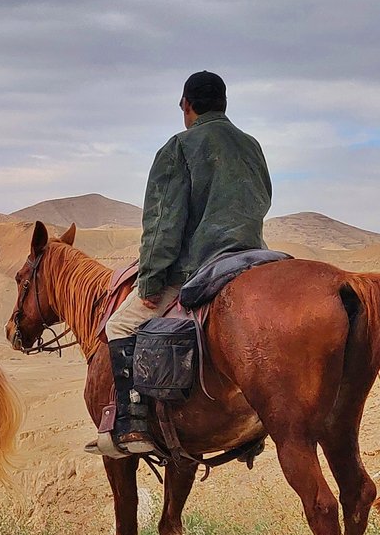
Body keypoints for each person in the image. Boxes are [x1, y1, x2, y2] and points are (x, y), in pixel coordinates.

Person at [97, 70, 272, 454]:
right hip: (253, 259)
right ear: (224, 105)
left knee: (119, 325)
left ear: (186, 106)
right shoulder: (252, 146)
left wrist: (150, 286)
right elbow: (262, 200)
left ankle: (131, 425)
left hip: (201, 266)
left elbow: (163, 225)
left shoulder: (178, 148)